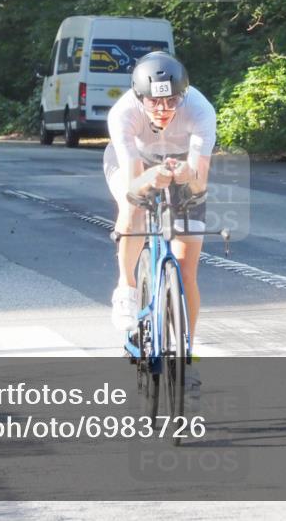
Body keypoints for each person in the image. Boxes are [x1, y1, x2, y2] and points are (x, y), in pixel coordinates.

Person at [104, 52, 215, 381]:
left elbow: (200, 183)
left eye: (172, 102)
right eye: (154, 102)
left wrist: (186, 175)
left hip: (181, 165)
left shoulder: (200, 110)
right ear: (139, 97)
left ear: (184, 94)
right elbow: (133, 183)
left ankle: (187, 353)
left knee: (186, 265)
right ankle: (126, 287)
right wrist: (149, 180)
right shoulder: (122, 113)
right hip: (134, 164)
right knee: (133, 206)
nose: (163, 110)